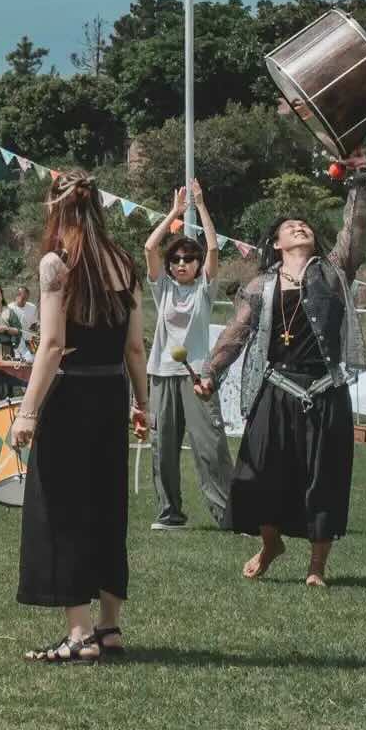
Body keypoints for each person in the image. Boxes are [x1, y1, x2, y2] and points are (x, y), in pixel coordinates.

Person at [200, 155, 366, 588]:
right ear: (276, 243)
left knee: (324, 480)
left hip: (327, 390)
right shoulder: (260, 286)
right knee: (256, 476)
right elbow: (236, 334)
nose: (299, 227)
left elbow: (355, 230)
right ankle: (270, 543)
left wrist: (358, 179)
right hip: (276, 390)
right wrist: (210, 373)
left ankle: (317, 567)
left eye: (305, 225)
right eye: (290, 227)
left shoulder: (334, 271)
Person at [9, 172, 149, 663]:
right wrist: (142, 405)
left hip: (69, 396)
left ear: (55, 209)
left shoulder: (56, 263)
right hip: (110, 394)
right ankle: (109, 627)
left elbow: (51, 345)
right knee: (107, 507)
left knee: (61, 508)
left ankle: (79, 635)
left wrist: (27, 412)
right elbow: (135, 347)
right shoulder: (125, 262)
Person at [142, 183, 231, 531]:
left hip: (197, 377)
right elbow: (150, 247)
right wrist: (174, 213)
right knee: (162, 448)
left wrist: (201, 206)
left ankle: (229, 515)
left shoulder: (204, 289)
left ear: (197, 265)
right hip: (161, 374)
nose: (181, 264)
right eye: (176, 259)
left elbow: (213, 248)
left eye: (188, 259)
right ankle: (170, 514)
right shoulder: (162, 287)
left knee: (209, 447)